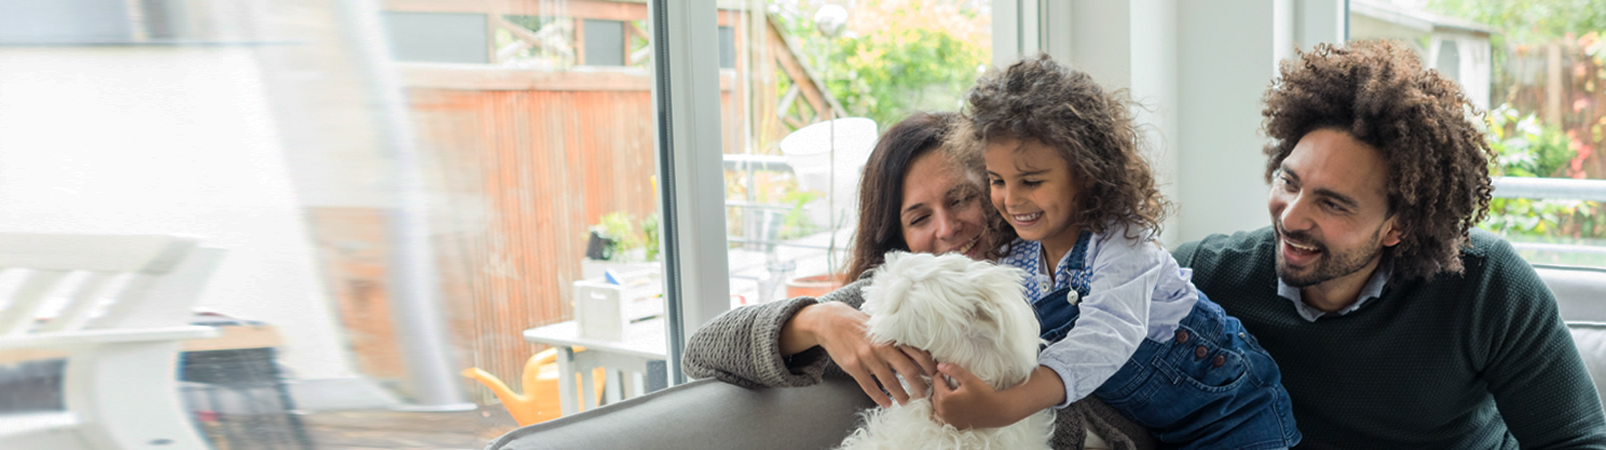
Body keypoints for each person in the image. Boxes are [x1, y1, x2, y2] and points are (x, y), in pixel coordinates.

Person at [1172, 40, 1606, 448]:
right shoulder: (1207, 276)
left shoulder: (1484, 283)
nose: (1290, 217)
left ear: (1399, 227)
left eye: (1332, 204)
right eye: (1290, 181)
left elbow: (1577, 441)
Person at [683, 111, 1151, 449]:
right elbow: (700, 351)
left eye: (961, 198)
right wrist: (821, 321)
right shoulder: (897, 296)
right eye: (920, 216)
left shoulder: (1063, 254)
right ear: (899, 237)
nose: (947, 229)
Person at [928, 55, 1299, 449]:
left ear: (1085, 171)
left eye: (1031, 181)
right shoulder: (1013, 258)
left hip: (1233, 412)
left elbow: (1106, 335)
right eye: (997, 180)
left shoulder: (1122, 238)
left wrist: (1003, 407)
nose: (1012, 198)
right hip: (1163, 432)